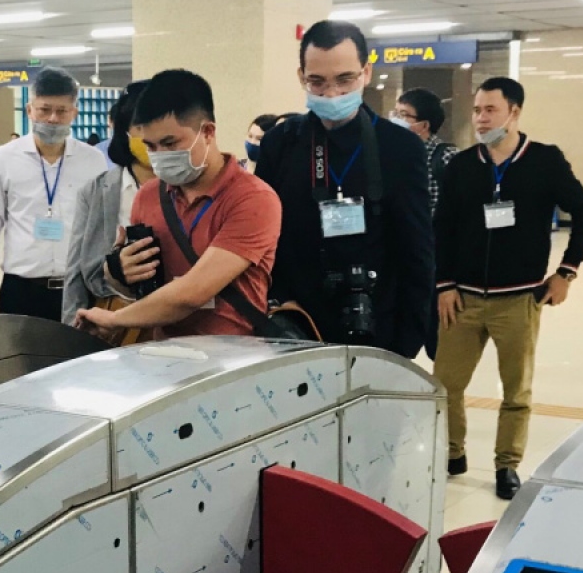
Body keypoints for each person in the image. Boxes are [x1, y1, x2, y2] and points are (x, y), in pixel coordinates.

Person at [434, 76, 583, 500]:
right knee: (446, 384)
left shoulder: (544, 160)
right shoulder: (462, 165)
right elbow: (443, 228)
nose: (481, 118)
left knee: (516, 391)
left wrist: (566, 271)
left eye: (490, 109)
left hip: (520, 299)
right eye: (476, 110)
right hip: (463, 298)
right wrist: (444, 285)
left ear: (514, 112)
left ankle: (507, 463)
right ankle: (453, 452)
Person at [256, 20, 435, 358]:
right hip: (297, 322)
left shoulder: (398, 146)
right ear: (301, 77)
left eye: (344, 79)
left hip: (376, 319)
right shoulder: (282, 143)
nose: (331, 93)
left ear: (366, 73)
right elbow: (264, 238)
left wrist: (408, 341)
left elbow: (417, 249)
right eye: (317, 82)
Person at [75, 69, 280, 340]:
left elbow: (192, 293)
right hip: (163, 356)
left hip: (232, 358)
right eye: (151, 145)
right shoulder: (148, 196)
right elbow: (143, 291)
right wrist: (118, 272)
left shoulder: (253, 198)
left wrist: (115, 319)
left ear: (207, 132)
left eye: (170, 143)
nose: (159, 156)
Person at [0, 67, 108, 320]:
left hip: (78, 289)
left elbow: (102, 229)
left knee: (79, 358)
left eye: (61, 111)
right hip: (22, 289)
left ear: (74, 113)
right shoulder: (2, 159)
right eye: (44, 110)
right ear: (30, 110)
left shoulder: (93, 161)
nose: (53, 119)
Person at [63, 80, 154, 325]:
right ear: (125, 131)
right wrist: (71, 331)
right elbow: (76, 270)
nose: (152, 137)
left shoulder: (189, 188)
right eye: (142, 127)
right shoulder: (96, 191)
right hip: (112, 321)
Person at [393, 88, 460, 218]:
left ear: (424, 125)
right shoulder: (395, 154)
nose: (396, 120)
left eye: (403, 115)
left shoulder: (447, 156)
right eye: (396, 114)